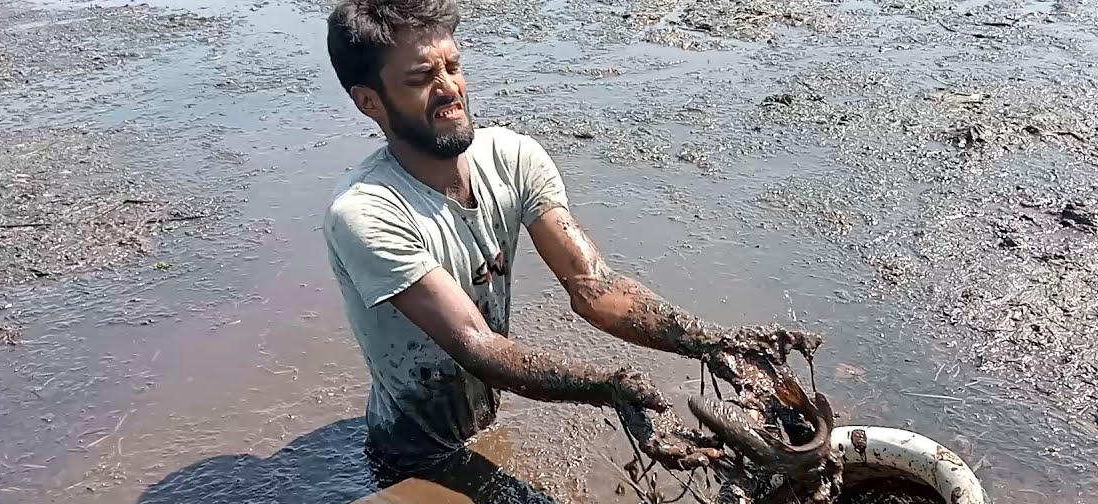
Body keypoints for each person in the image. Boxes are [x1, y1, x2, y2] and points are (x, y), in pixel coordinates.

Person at [322, 0, 814, 475]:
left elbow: (595, 288)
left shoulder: (512, 157)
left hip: (487, 415)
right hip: (412, 452)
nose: (449, 88)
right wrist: (613, 386)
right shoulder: (365, 213)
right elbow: (476, 346)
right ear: (369, 101)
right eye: (422, 78)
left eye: (452, 66)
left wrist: (714, 343)